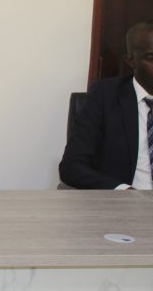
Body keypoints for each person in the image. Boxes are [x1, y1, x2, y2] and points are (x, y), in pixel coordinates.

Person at [59, 21, 153, 190]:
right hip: (128, 202)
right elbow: (71, 167)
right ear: (131, 61)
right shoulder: (105, 96)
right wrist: (124, 192)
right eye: (151, 57)